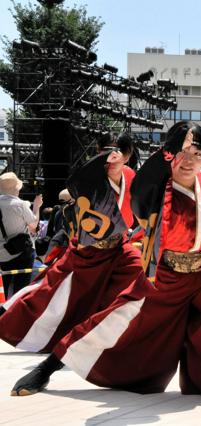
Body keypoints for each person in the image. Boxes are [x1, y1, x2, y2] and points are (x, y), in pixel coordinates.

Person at [10, 121, 201, 402]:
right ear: (170, 153)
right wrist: (161, 152)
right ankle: (49, 366)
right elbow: (138, 188)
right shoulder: (153, 190)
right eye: (182, 152)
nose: (188, 161)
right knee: (118, 317)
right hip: (167, 274)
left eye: (196, 153)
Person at [0, 134, 142, 355]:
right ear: (98, 151)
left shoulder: (131, 176)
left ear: (127, 156)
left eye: (118, 152)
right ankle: (15, 324)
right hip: (88, 249)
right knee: (51, 293)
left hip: (119, 247)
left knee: (138, 283)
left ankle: (125, 339)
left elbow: (136, 212)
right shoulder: (88, 179)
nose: (112, 157)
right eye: (106, 150)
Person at [0, 172, 42, 299]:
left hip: (1, 255)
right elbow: (34, 225)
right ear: (16, 188)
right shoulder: (20, 205)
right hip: (22, 252)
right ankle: (16, 315)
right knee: (21, 290)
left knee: (3, 289)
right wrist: (36, 207)